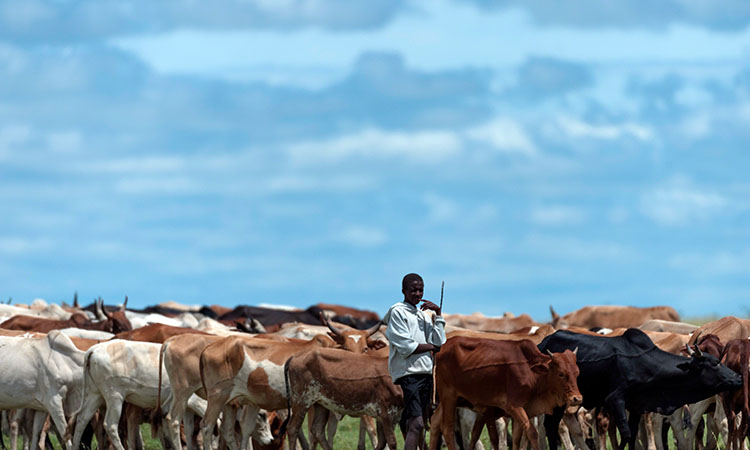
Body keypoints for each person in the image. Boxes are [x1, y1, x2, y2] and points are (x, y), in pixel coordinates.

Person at [383, 273, 447, 450]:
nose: (418, 294)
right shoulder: (397, 312)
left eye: (421, 290)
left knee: (418, 421)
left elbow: (439, 342)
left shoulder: (423, 315)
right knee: (417, 423)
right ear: (404, 291)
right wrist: (431, 347)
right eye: (413, 290)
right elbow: (406, 347)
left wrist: (438, 315)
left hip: (425, 373)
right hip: (409, 374)